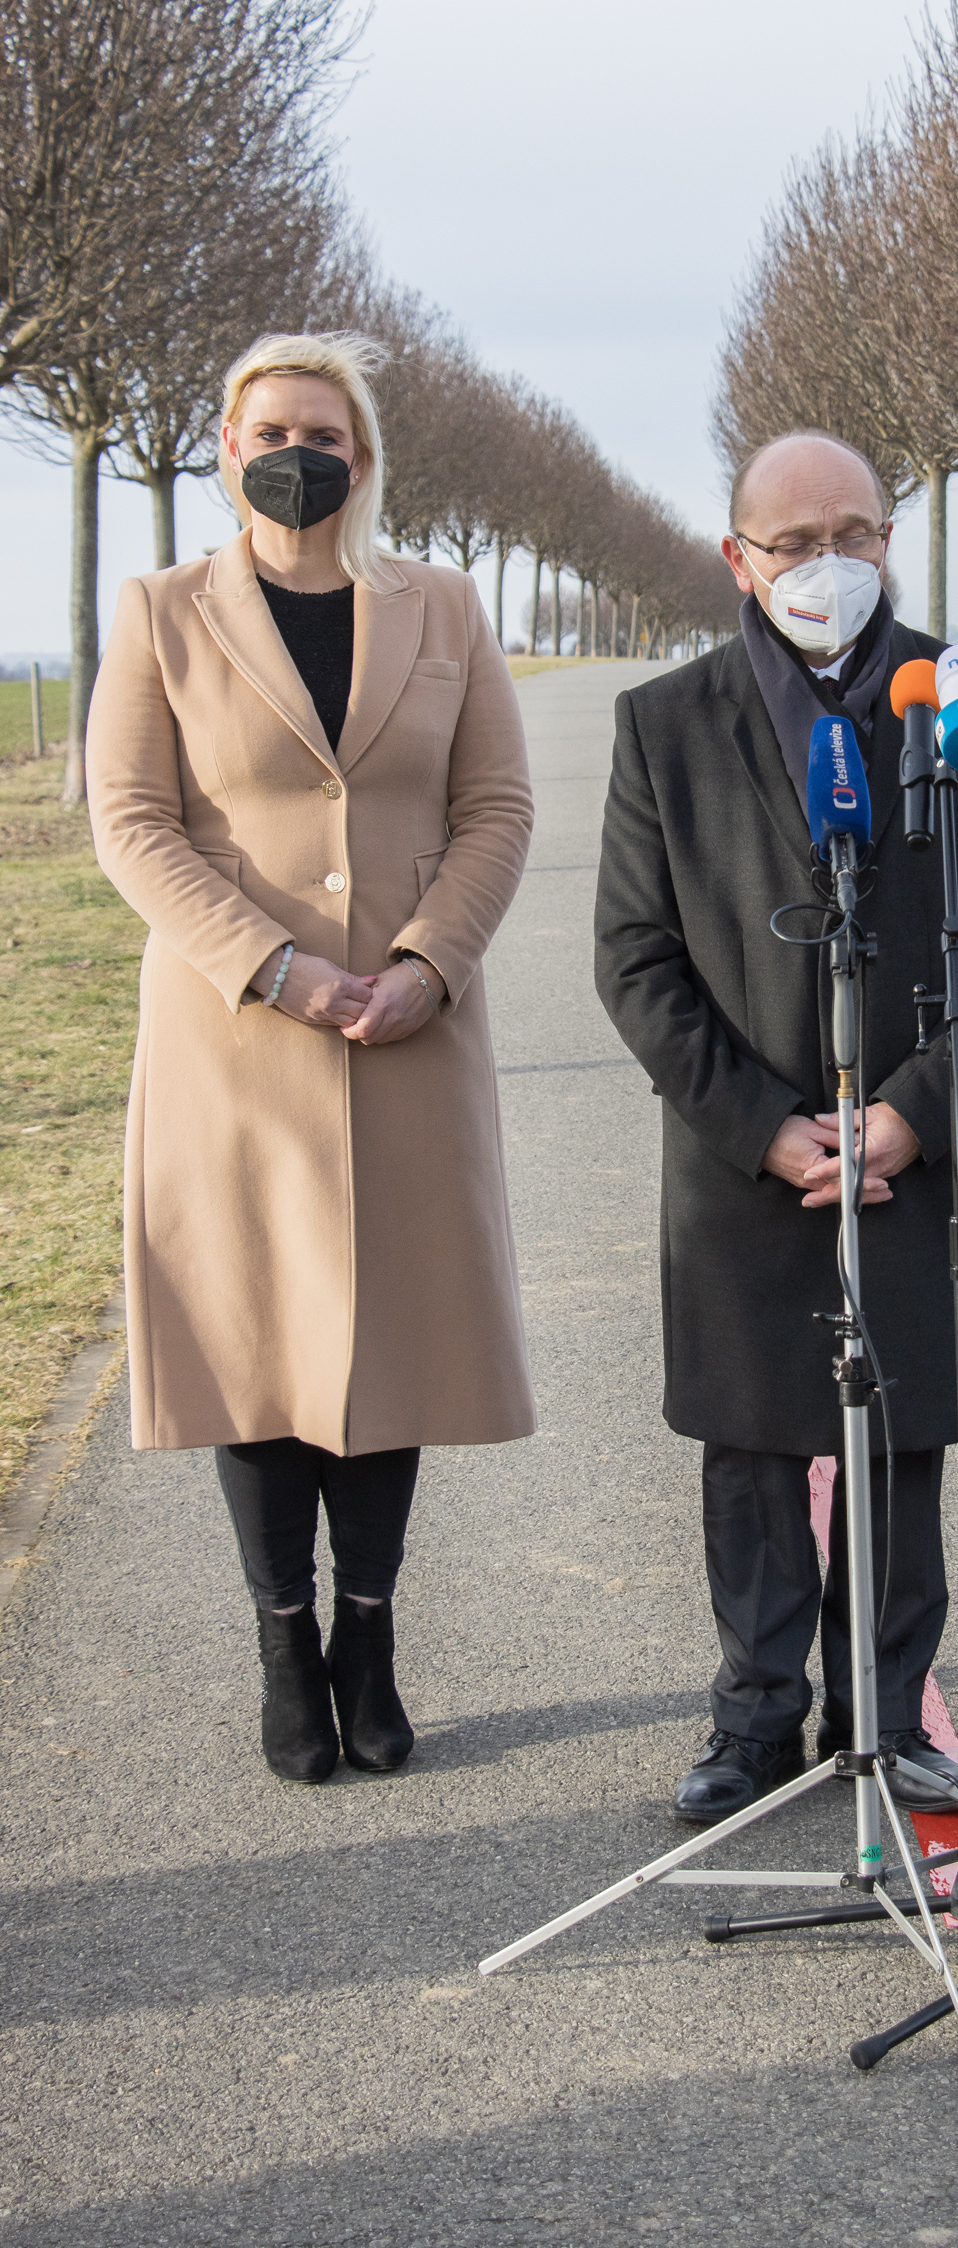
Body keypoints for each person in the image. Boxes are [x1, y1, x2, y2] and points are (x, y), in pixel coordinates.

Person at [86, 330, 536, 1784]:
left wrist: (428, 965)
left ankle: (370, 1636)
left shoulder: (443, 605)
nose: (300, 456)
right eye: (273, 432)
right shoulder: (161, 613)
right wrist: (271, 965)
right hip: (237, 1040)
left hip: (408, 1032)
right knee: (260, 1351)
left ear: (364, 455)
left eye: (325, 436)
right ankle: (285, 1644)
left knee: (393, 1345)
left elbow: (497, 807)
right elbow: (130, 821)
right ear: (229, 449)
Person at [594, 429, 958, 1823]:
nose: (827, 563)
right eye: (794, 542)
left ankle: (884, 1708)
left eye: (853, 534)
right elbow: (635, 956)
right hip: (744, 1153)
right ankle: (754, 1716)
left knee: (903, 1433)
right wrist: (762, 1125)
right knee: (751, 1441)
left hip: (911, 1144)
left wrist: (918, 1109)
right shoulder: (664, 722)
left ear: (888, 543)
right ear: (738, 558)